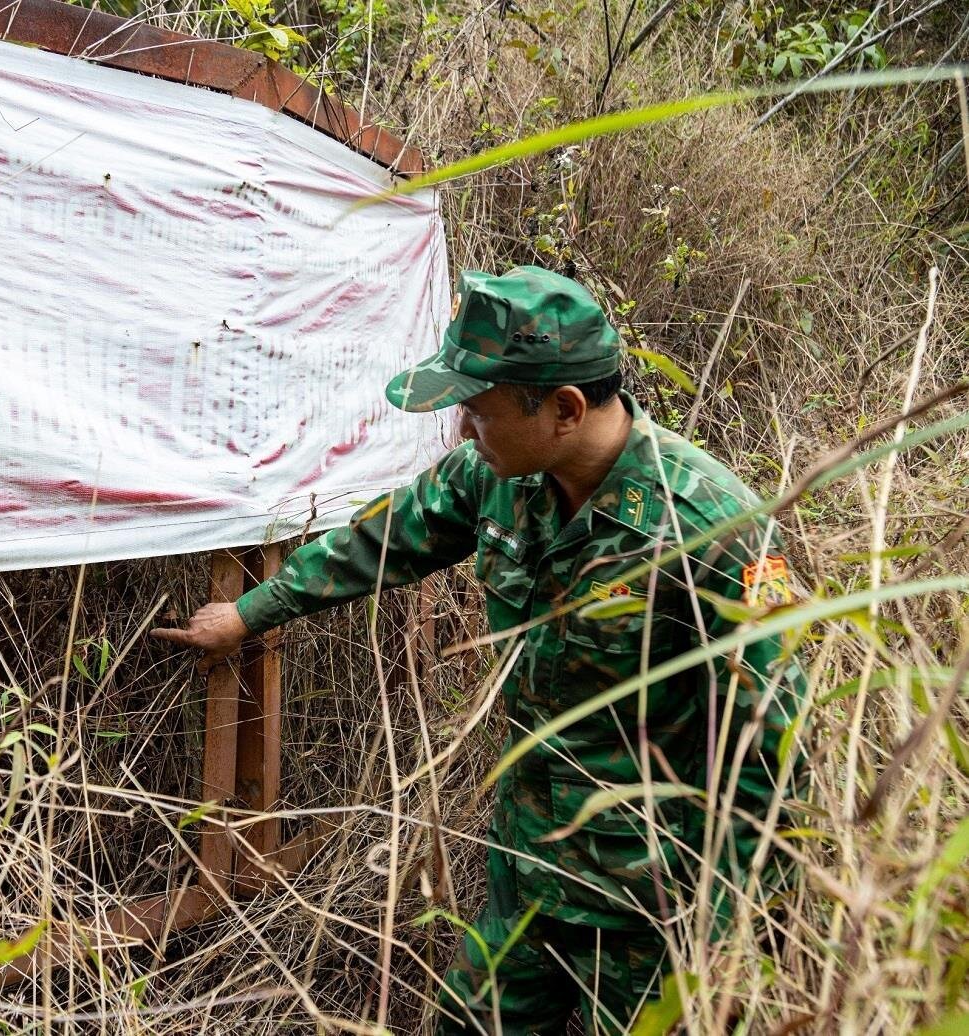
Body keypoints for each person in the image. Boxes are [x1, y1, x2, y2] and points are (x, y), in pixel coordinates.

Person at [151, 265, 807, 1034]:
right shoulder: (496, 476)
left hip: (653, 905)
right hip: (526, 870)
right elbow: (384, 540)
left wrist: (732, 926)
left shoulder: (709, 527)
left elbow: (770, 741)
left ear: (563, 408)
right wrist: (252, 612)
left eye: (478, 412)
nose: (463, 431)